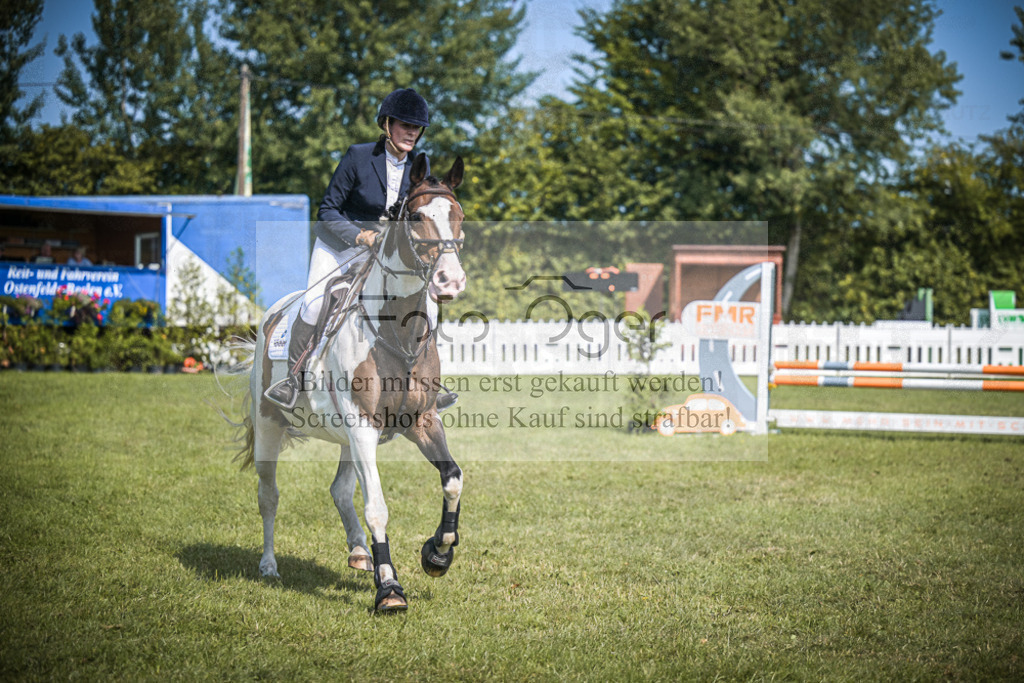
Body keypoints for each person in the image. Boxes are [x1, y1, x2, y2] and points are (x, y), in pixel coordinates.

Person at [266, 87, 457, 412]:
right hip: (339, 246)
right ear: (386, 124)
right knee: (314, 304)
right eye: (404, 125)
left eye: (416, 127)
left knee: (430, 306)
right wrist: (360, 236)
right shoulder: (358, 157)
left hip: (383, 258)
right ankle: (292, 382)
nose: (411, 132)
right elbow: (327, 211)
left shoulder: (418, 167)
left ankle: (428, 385)